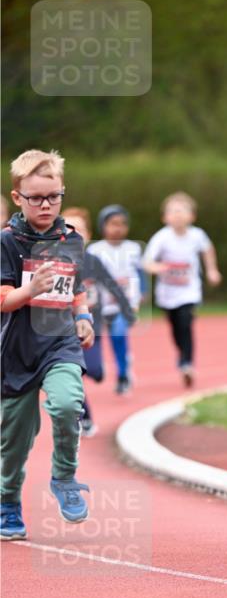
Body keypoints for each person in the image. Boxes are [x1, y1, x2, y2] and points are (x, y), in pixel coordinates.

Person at [1, 149, 94, 540]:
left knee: (69, 402)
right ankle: (7, 502)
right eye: (36, 197)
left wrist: (84, 316)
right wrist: (30, 290)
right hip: (17, 349)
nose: (46, 204)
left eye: (54, 196)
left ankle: (64, 477)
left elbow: (76, 290)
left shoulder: (71, 239)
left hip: (59, 343)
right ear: (18, 197)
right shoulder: (7, 241)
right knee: (14, 442)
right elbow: (4, 300)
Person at [62, 206, 136, 434]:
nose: (73, 234)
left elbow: (111, 284)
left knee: (94, 370)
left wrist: (127, 309)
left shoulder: (93, 261)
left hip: (94, 325)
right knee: (75, 373)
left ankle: (99, 370)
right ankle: (84, 417)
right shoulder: (53, 260)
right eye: (67, 229)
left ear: (89, 235)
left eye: (79, 229)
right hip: (63, 328)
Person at [143, 192, 221, 387]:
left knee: (186, 322)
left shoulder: (197, 235)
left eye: (182, 211)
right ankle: (182, 354)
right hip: (167, 292)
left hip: (189, 290)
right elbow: (147, 261)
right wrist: (156, 268)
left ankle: (187, 363)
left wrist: (212, 270)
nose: (177, 215)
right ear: (165, 218)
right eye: (173, 212)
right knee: (175, 327)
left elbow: (208, 250)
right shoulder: (161, 237)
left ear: (191, 216)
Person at [87, 205, 143, 394]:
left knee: (118, 332)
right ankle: (116, 363)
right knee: (104, 339)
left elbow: (140, 274)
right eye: (113, 224)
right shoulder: (95, 249)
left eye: (122, 224)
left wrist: (140, 294)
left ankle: (122, 374)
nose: (118, 228)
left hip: (126, 303)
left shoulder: (133, 248)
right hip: (102, 304)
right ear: (103, 226)